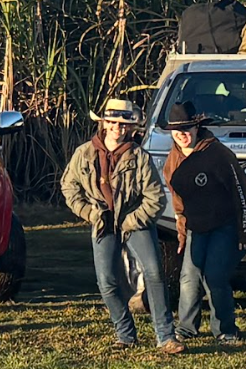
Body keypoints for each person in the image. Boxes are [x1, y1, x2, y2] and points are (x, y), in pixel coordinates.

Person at [61, 98, 180, 353]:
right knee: (106, 281)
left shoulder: (139, 156)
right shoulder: (84, 153)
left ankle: (166, 336)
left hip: (135, 220)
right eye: (113, 122)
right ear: (103, 124)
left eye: (124, 123)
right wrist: (90, 214)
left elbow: (155, 198)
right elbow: (69, 187)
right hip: (102, 223)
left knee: (155, 273)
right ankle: (125, 334)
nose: (118, 128)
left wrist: (131, 221)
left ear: (130, 128)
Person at [163, 100, 246, 344]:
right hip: (195, 227)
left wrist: (245, 232)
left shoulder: (218, 154)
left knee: (215, 276)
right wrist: (182, 235)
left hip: (224, 225)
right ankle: (186, 328)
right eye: (177, 130)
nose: (183, 135)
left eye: (187, 128)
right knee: (189, 277)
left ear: (197, 127)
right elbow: (178, 205)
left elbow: (241, 194)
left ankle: (225, 329)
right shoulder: (171, 162)